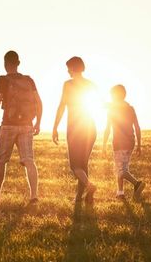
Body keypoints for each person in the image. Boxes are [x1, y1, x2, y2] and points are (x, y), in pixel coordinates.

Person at [0, 50, 43, 204]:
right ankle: (34, 196)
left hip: (8, 125)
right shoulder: (29, 80)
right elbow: (38, 101)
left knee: (2, 160)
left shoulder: (2, 80)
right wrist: (38, 123)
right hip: (27, 125)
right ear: (18, 63)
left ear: (5, 64)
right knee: (29, 160)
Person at [52, 56, 98, 204]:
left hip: (75, 129)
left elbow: (62, 106)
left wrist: (55, 127)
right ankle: (82, 197)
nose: (67, 71)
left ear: (72, 68)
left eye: (68, 68)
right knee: (83, 165)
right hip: (90, 127)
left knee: (75, 166)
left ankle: (90, 186)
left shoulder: (68, 84)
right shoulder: (90, 84)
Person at [102, 84, 145, 199]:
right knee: (120, 167)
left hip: (119, 143)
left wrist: (104, 144)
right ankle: (120, 193)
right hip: (130, 142)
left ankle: (137, 184)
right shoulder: (130, 108)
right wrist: (139, 145)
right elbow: (137, 127)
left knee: (121, 170)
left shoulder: (112, 109)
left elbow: (107, 128)